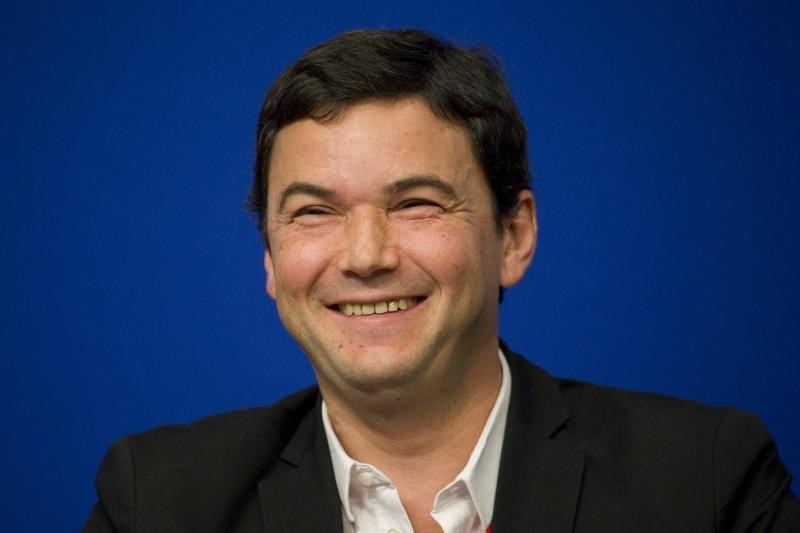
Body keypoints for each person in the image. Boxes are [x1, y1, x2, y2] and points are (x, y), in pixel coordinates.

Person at [84, 28, 799, 532]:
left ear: (512, 236)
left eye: (416, 203)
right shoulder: (157, 500)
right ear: (270, 259)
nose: (365, 254)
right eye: (313, 212)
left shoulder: (705, 483)